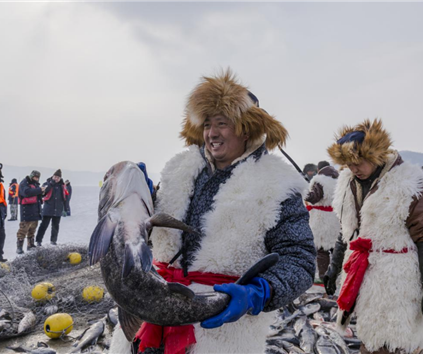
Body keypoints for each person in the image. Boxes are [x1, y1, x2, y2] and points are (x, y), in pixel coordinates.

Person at [110, 70, 316, 354]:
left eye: (222, 123)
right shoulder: (178, 171)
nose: (211, 133)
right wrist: (141, 202)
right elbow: (148, 237)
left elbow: (300, 260)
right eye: (207, 124)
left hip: (220, 329)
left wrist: (259, 292)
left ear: (247, 128)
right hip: (152, 314)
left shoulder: (278, 186)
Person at [324, 119, 423, 353]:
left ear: (376, 155)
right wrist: (334, 266)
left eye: (359, 162)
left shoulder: (409, 183)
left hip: (398, 277)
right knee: (370, 335)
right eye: (349, 163)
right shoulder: (348, 181)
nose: (354, 168)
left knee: (394, 340)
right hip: (361, 273)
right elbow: (346, 230)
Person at [304, 162, 340, 282]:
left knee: (321, 250)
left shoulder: (320, 181)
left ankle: (324, 276)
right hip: (336, 218)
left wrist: (304, 192)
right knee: (337, 249)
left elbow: (314, 198)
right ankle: (338, 275)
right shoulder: (339, 181)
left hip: (322, 220)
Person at [36, 170, 68, 246]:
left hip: (58, 209)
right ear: (52, 176)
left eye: (58, 177)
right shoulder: (47, 183)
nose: (56, 178)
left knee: (55, 226)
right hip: (48, 209)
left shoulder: (62, 186)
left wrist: (65, 209)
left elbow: (64, 198)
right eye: (55, 177)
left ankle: (53, 240)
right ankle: (38, 240)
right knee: (44, 225)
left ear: (60, 178)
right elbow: (42, 193)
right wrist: (51, 184)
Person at [16, 170, 46, 254]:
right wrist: (39, 190)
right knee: (23, 230)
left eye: (37, 177)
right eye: (35, 177)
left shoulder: (36, 184)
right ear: (31, 176)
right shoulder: (24, 183)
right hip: (26, 211)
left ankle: (30, 245)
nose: (36, 179)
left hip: (35, 210)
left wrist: (42, 192)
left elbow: (37, 194)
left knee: (32, 230)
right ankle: (19, 247)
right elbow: (26, 192)